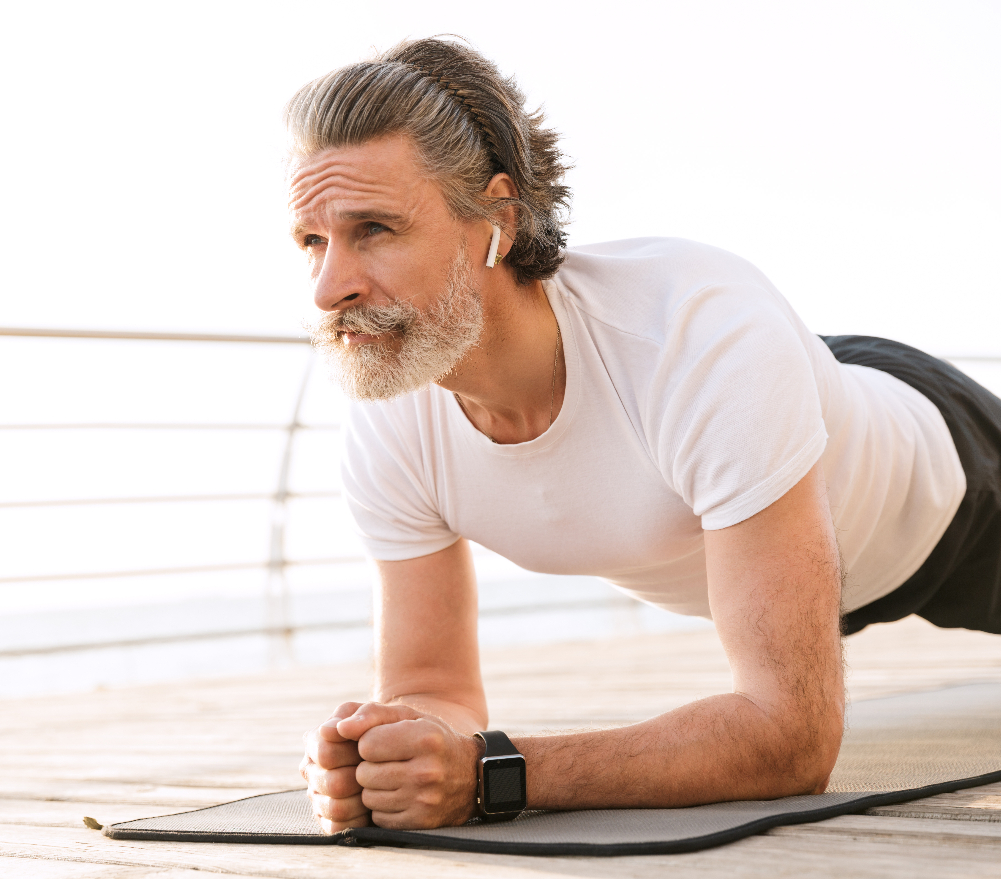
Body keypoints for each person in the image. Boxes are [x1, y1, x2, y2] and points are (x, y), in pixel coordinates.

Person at [285, 37, 1001, 833]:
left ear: (497, 220)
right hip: (779, 455)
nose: (328, 289)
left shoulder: (699, 340)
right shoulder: (393, 412)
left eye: (375, 229)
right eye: (312, 241)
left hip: (948, 494)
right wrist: (395, 750)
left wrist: (496, 773)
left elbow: (792, 738)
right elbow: (432, 684)